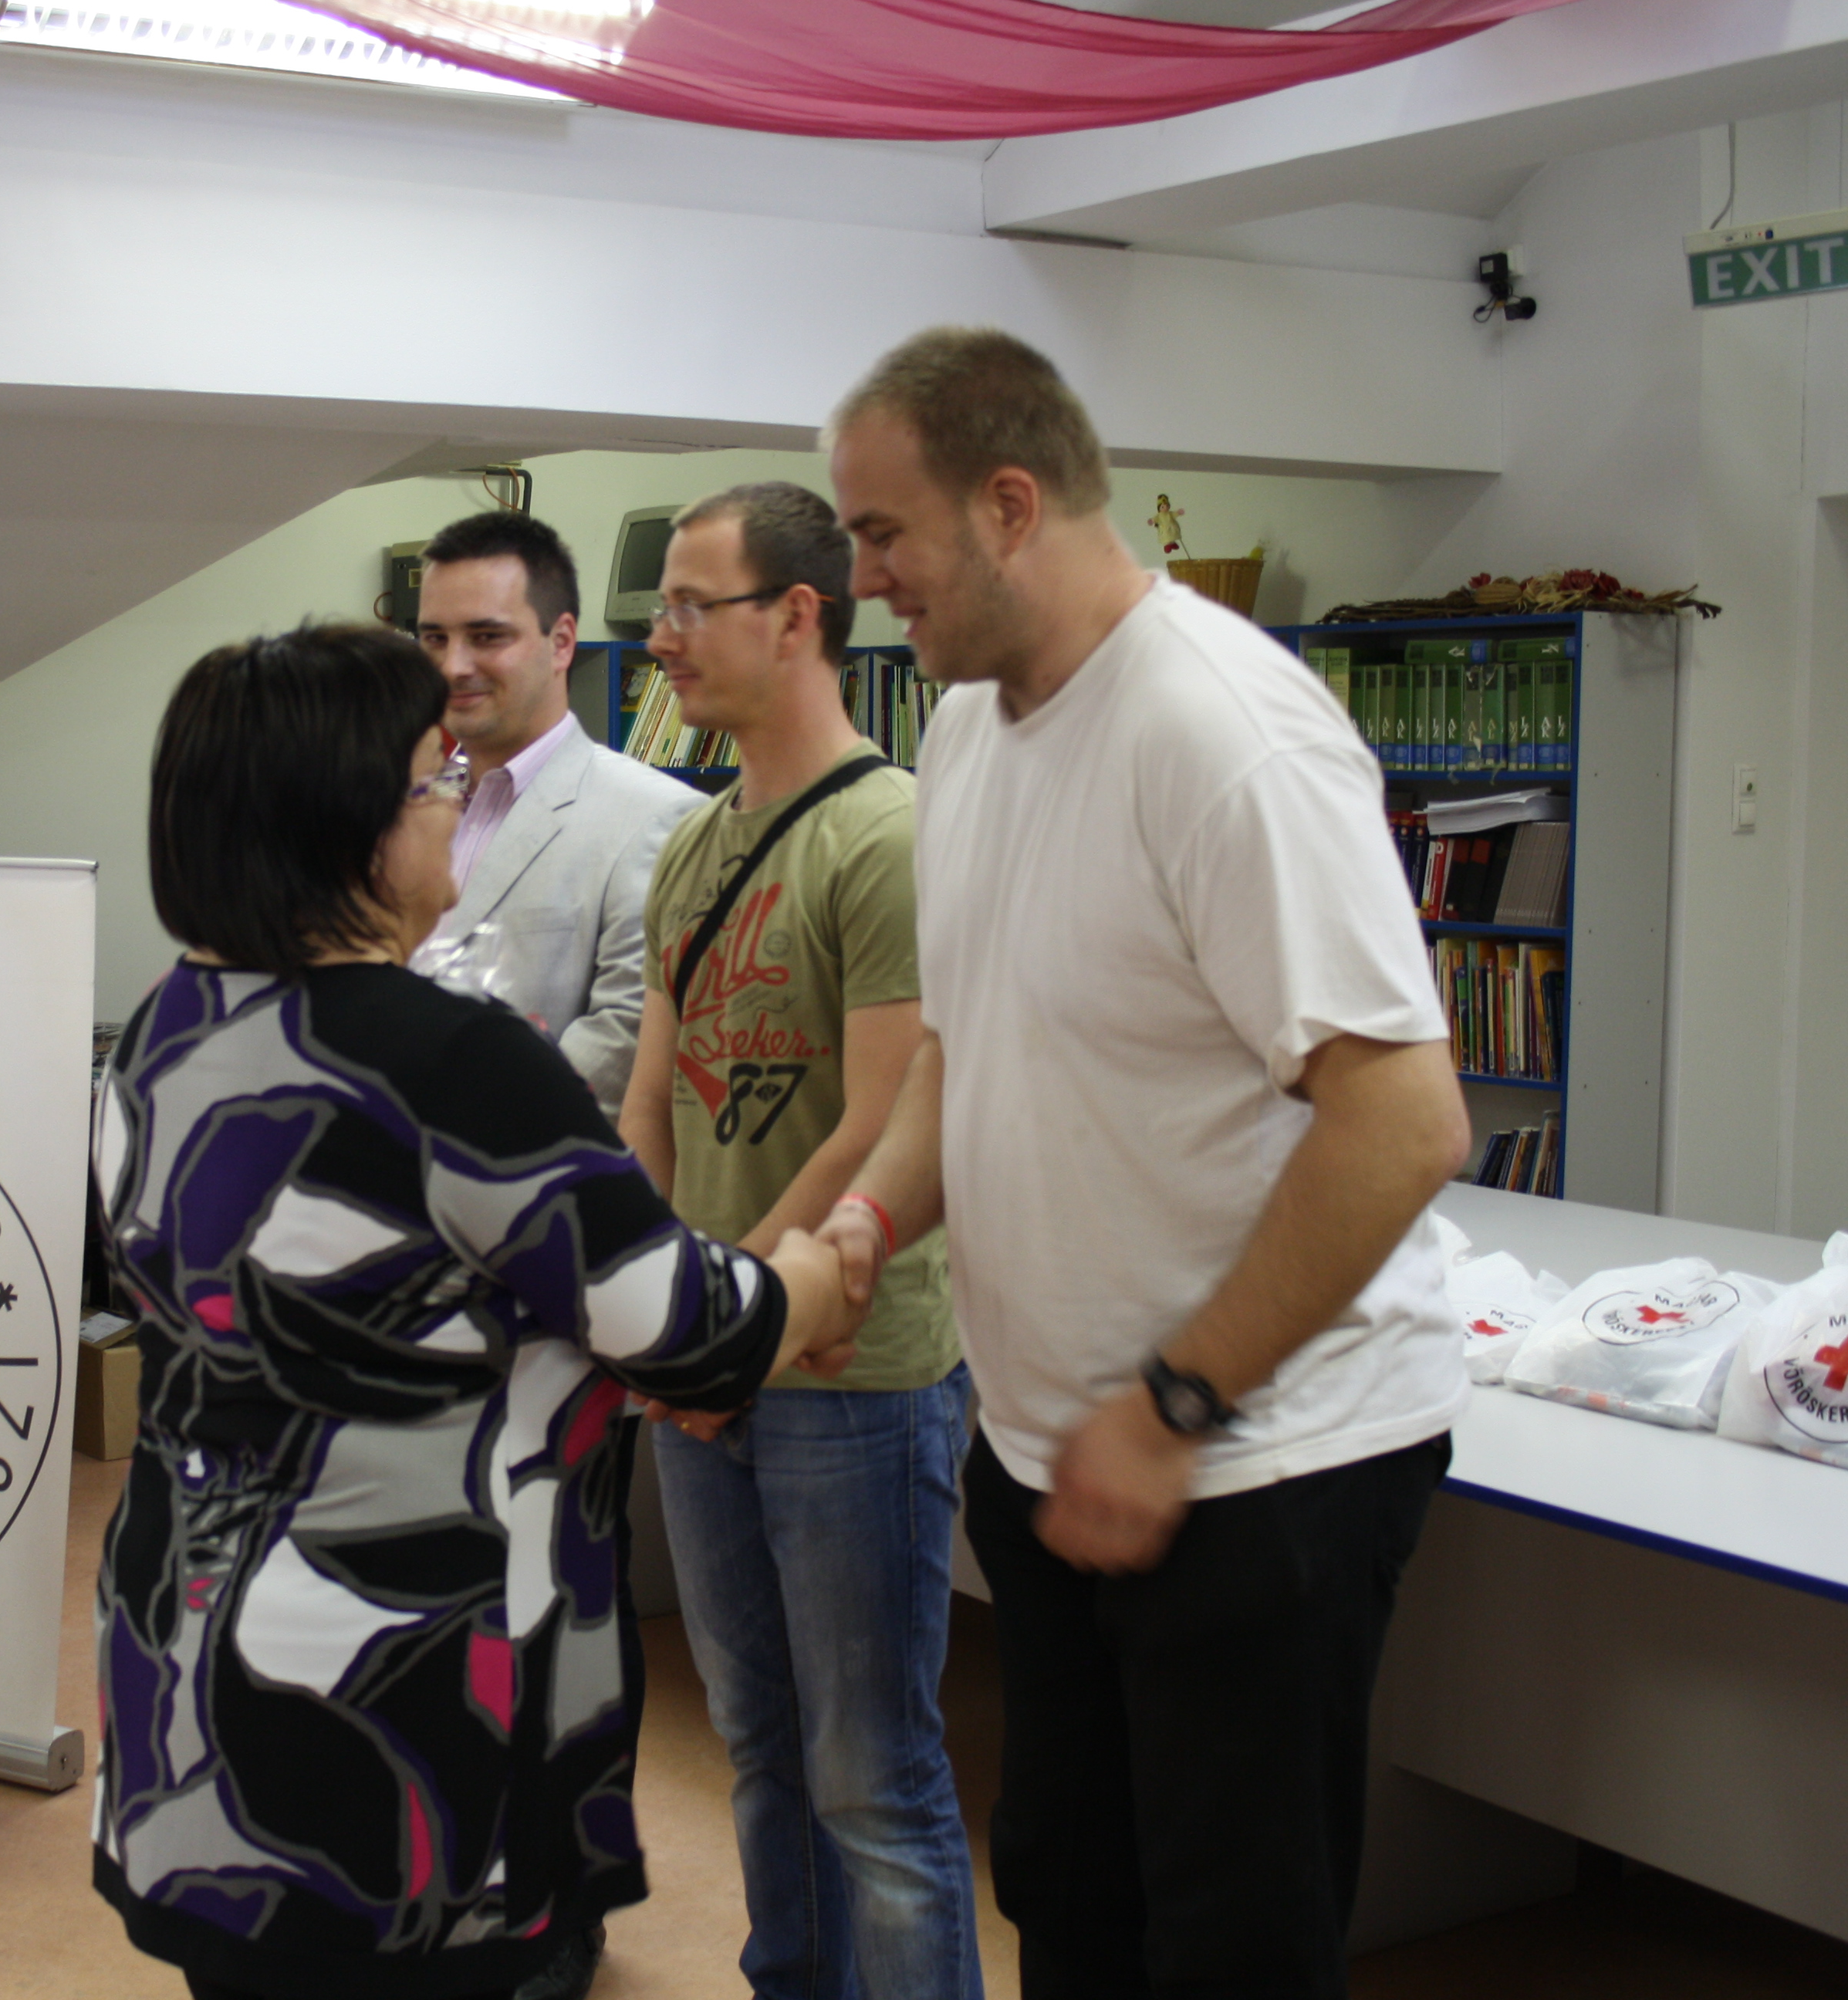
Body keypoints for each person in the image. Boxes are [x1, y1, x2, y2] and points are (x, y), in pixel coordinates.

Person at [818, 326, 1474, 2000]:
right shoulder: (967, 730)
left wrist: (1174, 1402)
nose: (862, 578)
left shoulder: (1221, 733)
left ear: (1009, 504)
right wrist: (868, 1222)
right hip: (1056, 1448)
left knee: (1227, 1945)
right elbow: (966, 1045)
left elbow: (1402, 1122)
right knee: (1069, 1898)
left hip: (1252, 1458)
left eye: (883, 533)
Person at [91, 621, 865, 2000]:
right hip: (390, 1691)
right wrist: (815, 1273)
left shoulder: (164, 1026)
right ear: (348, 824)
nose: (453, 803)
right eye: (431, 776)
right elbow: (689, 1327)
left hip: (190, 1649)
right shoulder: (448, 1061)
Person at [616, 483, 978, 2000]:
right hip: (710, 1375)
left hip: (848, 1374)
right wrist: (655, 1310)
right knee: (759, 1745)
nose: (663, 638)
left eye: (692, 606)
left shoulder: (888, 834)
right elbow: (650, 1107)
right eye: (659, 610)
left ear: (797, 617)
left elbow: (878, 1125)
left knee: (871, 1779)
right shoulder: (694, 844)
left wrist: (716, 1323)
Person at [418, 510, 704, 1122]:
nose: (453, 666)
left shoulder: (656, 818)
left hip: (530, 1163)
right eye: (435, 638)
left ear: (563, 642)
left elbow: (624, 1043)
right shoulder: (397, 807)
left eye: (487, 637)